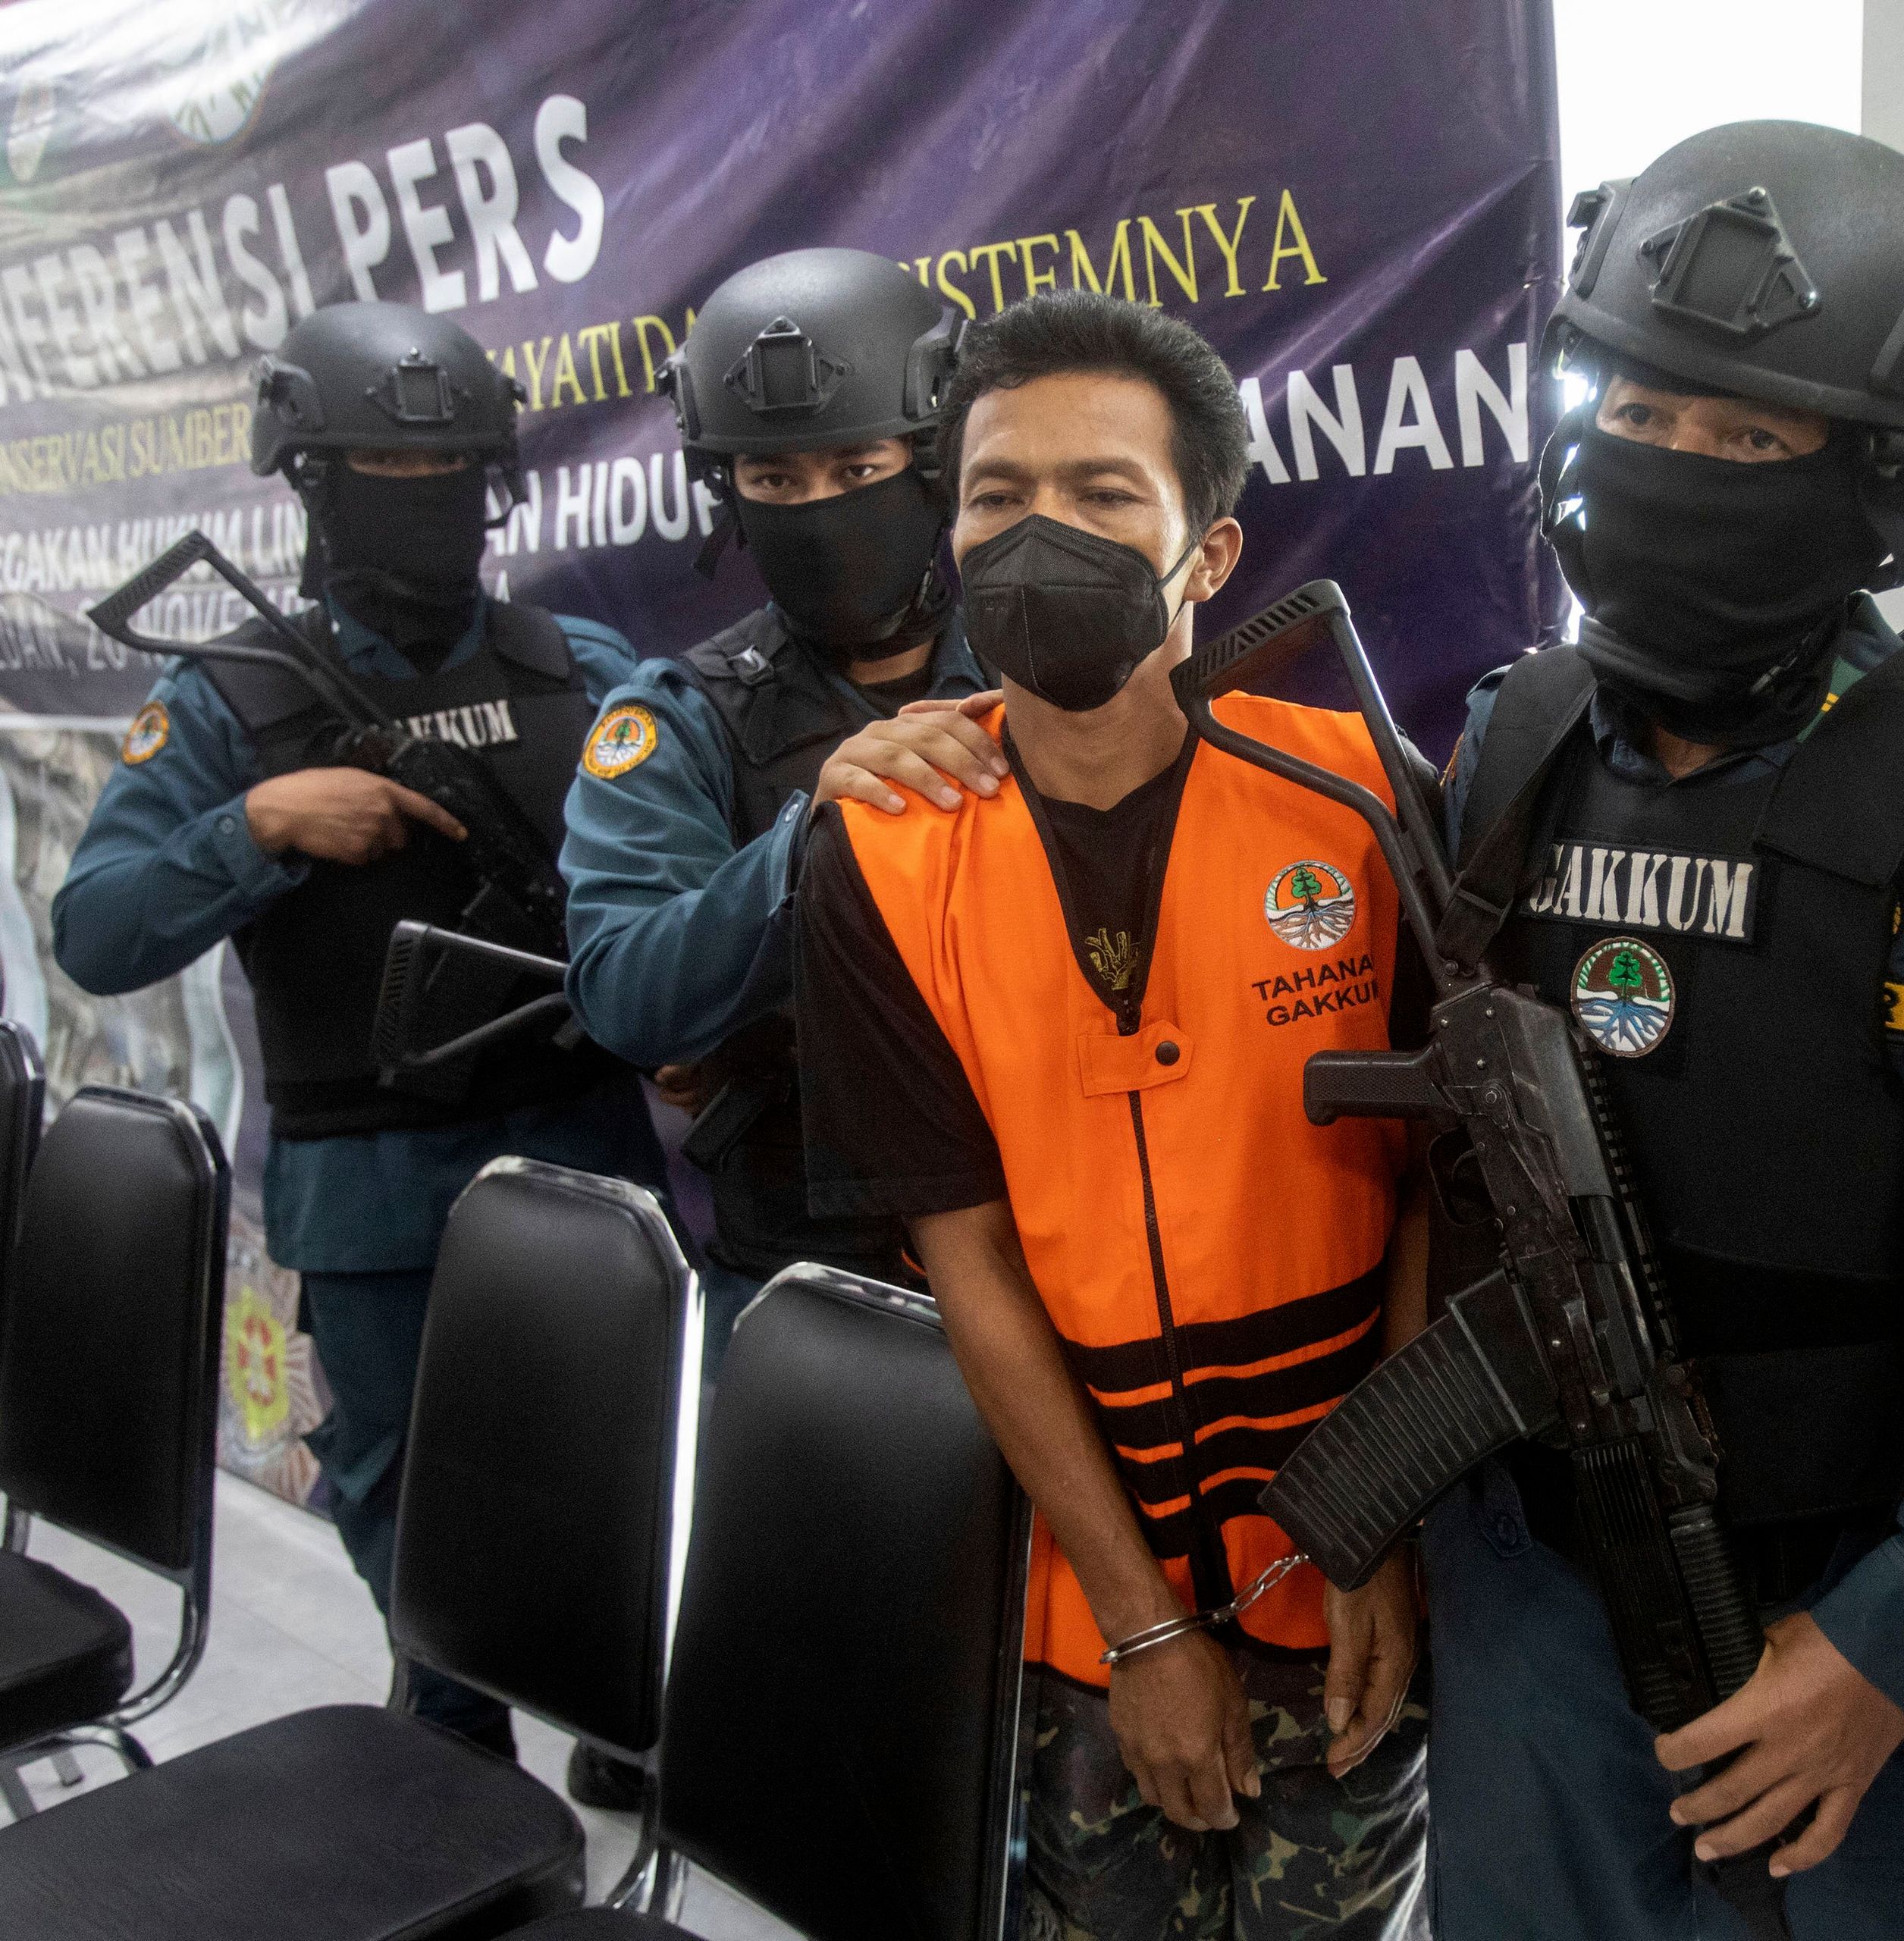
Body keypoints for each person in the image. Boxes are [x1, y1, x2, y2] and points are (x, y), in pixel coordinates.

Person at [1424, 122, 1904, 1940]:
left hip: (1828, 1613)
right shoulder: (1511, 743)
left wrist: (1893, 1653)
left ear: (1879, 467)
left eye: (1748, 435)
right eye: (1646, 409)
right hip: (1524, 1588)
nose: (1677, 463)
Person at [791, 289, 1428, 1939]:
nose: (1040, 533)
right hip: (1072, 1603)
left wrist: (1387, 1528)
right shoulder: (876, 849)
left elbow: (1440, 1191)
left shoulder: (1359, 803)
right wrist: (1146, 1630)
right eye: (998, 495)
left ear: (1208, 554)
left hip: (1345, 1567)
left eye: (1103, 495)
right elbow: (968, 1256)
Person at [53, 299, 670, 1758]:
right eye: (387, 486)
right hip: (375, 1183)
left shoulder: (573, 665)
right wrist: (261, 823)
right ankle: (454, 1772)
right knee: (409, 1501)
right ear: (311, 489)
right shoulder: (233, 700)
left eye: (454, 482)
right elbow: (98, 929)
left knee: (611, 1472)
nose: (426, 514)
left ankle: (616, 1722)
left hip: (581, 1150)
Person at [562, 247, 1005, 1325]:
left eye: (858, 470)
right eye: (775, 481)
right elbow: (624, 992)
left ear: (932, 463)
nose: (820, 508)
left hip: (1050, 1240)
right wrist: (810, 843)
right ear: (730, 493)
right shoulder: (678, 716)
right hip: (803, 1280)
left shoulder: (1038, 668)